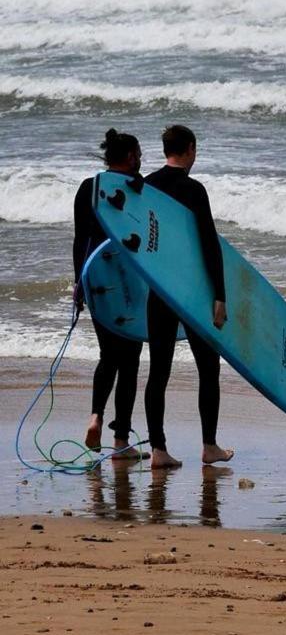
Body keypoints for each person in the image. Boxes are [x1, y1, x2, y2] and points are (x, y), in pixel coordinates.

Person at [143, 125, 233, 469]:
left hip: (160, 290)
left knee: (159, 372)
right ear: (191, 149)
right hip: (193, 292)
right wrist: (219, 296)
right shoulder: (194, 189)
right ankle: (209, 446)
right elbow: (209, 244)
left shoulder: (147, 185)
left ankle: (158, 450)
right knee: (208, 368)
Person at [73, 128, 146, 460]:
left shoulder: (89, 187)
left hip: (96, 281)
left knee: (107, 356)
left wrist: (80, 285)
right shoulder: (136, 190)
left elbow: (80, 241)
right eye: (139, 155)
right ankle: (120, 442)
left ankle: (95, 416)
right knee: (128, 361)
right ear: (130, 156)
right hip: (128, 285)